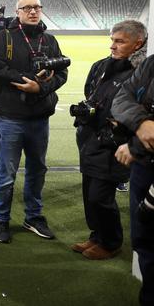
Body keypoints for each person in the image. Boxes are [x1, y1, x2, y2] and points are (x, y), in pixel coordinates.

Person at [0, 0, 68, 244]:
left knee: (37, 170)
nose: (33, 11)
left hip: (39, 118)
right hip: (11, 117)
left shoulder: (50, 40)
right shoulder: (4, 37)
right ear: (18, 12)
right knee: (6, 174)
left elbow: (61, 74)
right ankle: (2, 220)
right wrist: (29, 80)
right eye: (27, 8)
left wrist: (41, 88)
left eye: (37, 7)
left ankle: (33, 217)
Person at [73, 20, 146, 260]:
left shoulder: (141, 72)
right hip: (91, 138)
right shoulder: (102, 65)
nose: (112, 46)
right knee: (88, 194)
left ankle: (111, 242)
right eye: (112, 40)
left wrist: (118, 123)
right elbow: (90, 91)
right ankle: (97, 236)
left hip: (115, 144)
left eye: (119, 41)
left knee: (100, 197)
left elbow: (140, 109)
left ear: (138, 44)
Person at [112, 51, 154, 305]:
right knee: (145, 241)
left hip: (142, 157)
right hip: (145, 168)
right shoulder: (151, 64)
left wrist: (136, 146)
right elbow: (122, 98)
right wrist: (140, 123)